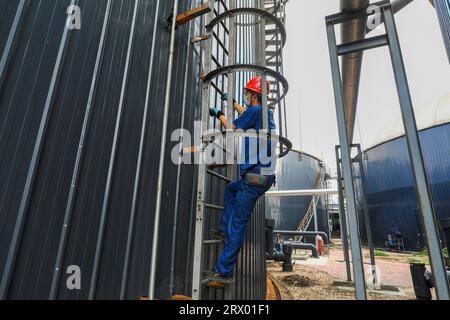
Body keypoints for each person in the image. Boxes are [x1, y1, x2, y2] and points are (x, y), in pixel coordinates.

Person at [204, 77, 277, 283]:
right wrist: (234, 102)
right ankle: (224, 230)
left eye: (247, 93)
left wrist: (219, 113)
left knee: (238, 225)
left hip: (255, 178)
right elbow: (247, 115)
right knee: (231, 189)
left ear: (254, 95)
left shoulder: (255, 112)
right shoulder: (264, 113)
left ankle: (223, 271)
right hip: (261, 177)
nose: (246, 97)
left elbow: (233, 128)